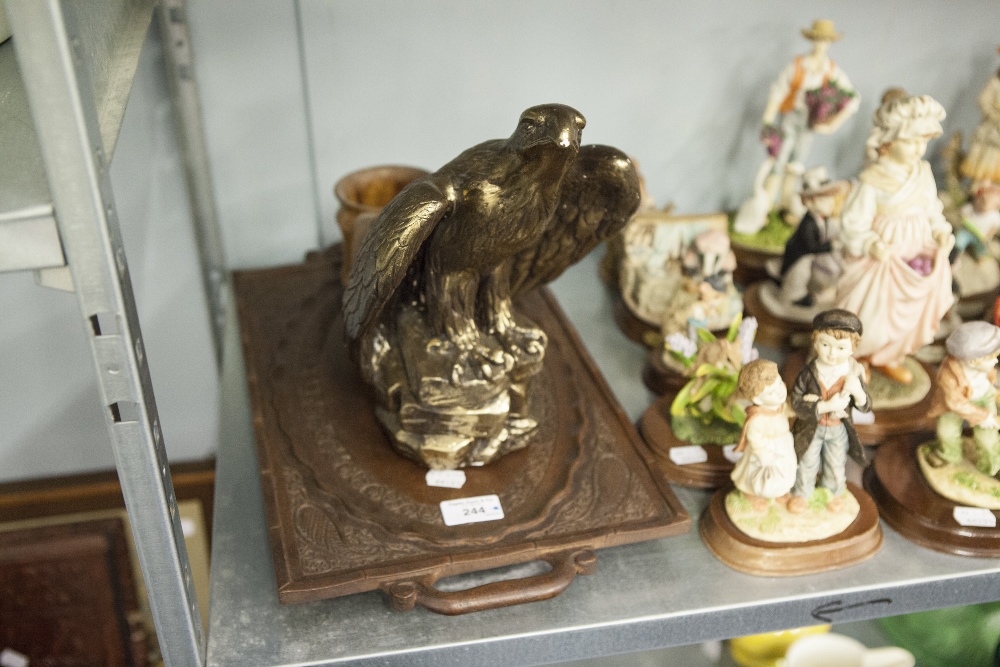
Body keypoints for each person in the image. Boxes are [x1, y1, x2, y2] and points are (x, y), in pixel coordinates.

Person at [834, 94, 954, 384]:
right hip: (883, 262)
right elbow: (853, 222)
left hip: (915, 257)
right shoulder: (872, 179)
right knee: (874, 315)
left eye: (922, 141)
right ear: (888, 142)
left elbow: (931, 208)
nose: (917, 149)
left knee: (908, 315)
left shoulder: (923, 173)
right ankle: (859, 357)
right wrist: (869, 244)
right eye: (910, 141)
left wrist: (940, 229)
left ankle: (891, 356)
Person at [760, 19, 859, 213]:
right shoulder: (797, 65)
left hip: (809, 122)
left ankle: (786, 205)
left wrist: (832, 124)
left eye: (825, 40)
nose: (821, 44)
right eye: (817, 39)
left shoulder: (831, 70)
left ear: (830, 43)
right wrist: (768, 122)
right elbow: (777, 92)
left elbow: (853, 98)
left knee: (797, 161)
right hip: (790, 115)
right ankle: (766, 206)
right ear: (811, 40)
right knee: (780, 156)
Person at [788, 309, 871, 514]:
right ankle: (802, 493)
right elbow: (796, 402)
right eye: (825, 345)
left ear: (853, 348)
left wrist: (858, 392)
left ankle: (832, 491)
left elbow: (866, 405)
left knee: (835, 463)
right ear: (815, 342)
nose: (832, 354)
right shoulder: (809, 373)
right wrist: (825, 406)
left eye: (841, 348)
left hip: (838, 429)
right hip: (811, 429)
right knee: (807, 462)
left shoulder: (852, 374)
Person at [928, 321, 1000, 476]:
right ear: (973, 361)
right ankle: (950, 455)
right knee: (946, 432)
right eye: (991, 358)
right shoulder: (948, 376)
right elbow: (957, 404)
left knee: (988, 440)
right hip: (951, 405)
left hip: (983, 398)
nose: (995, 361)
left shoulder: (984, 367)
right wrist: (985, 417)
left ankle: (992, 466)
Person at [777, 167, 850, 308]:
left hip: (809, 258)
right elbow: (811, 246)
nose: (831, 203)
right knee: (798, 275)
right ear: (812, 200)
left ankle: (800, 294)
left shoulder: (822, 219)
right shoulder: (808, 223)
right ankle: (790, 296)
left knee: (806, 275)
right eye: (826, 200)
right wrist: (830, 246)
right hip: (799, 256)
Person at [730, 360, 797, 509]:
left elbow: (787, 411)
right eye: (771, 392)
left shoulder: (779, 405)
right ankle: (750, 494)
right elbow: (755, 438)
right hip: (766, 451)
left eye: (779, 384)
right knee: (756, 475)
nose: (780, 392)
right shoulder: (758, 418)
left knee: (784, 470)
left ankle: (779, 492)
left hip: (783, 446)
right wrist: (763, 454)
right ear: (758, 400)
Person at [961, 49, 1000, 186]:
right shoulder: (995, 82)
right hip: (993, 129)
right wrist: (995, 116)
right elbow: (983, 101)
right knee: (988, 163)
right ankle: (982, 191)